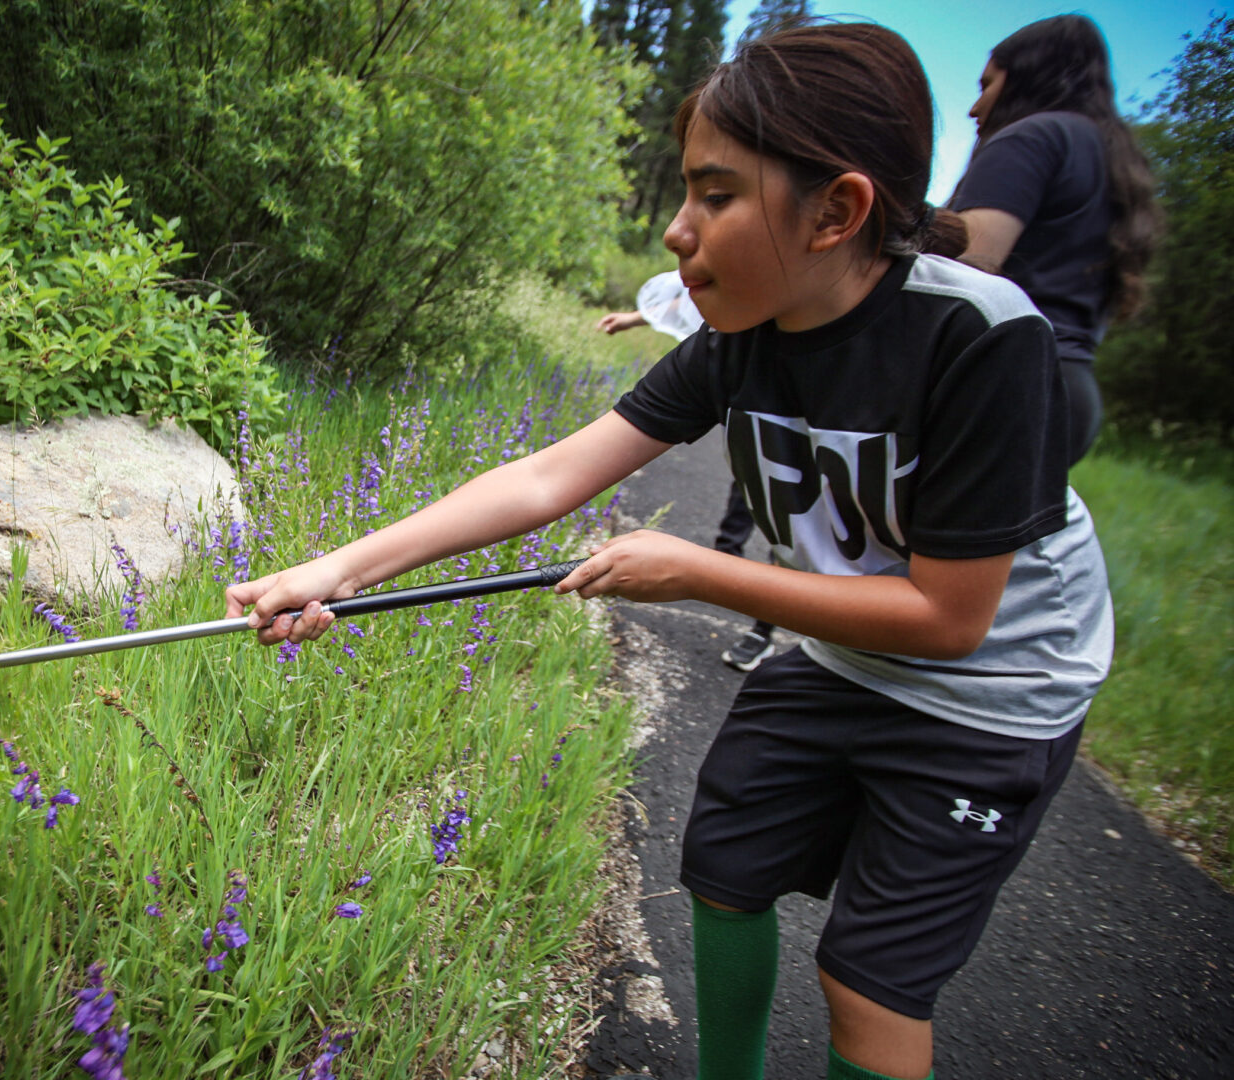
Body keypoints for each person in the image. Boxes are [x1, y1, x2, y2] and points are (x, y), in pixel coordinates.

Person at [226, 22, 1110, 1080]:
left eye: (717, 195)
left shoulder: (980, 337)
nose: (678, 232)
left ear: (837, 210)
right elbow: (547, 477)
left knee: (868, 979)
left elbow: (951, 621)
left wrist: (692, 570)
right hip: (844, 658)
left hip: (993, 696)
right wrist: (341, 567)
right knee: (725, 867)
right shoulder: (738, 342)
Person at [949, 14, 1160, 464]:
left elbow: (962, 277)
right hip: (1072, 392)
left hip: (1002, 389)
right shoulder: (1112, 159)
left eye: (986, 85)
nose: (975, 107)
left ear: (1026, 78)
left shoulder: (1032, 136)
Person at [598, 274, 779, 671]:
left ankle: (761, 628)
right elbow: (702, 294)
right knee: (746, 502)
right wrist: (635, 317)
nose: (675, 232)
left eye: (716, 205)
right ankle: (731, 568)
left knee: (796, 540)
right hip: (761, 452)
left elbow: (939, 618)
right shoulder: (725, 341)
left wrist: (698, 574)